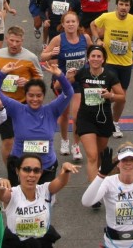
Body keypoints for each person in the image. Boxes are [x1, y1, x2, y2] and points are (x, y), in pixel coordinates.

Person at [0, 59, 74, 185]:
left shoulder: (52, 110)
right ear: (25, 95)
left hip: (46, 167)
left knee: (43, 203)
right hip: (20, 167)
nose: (35, 99)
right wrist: (2, 73)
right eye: (31, 95)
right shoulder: (17, 109)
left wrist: (60, 75)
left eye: (39, 96)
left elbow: (68, 93)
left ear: (43, 96)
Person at [0, 26, 43, 167]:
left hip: (23, 105)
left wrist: (28, 83)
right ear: (6, 39)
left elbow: (40, 78)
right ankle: (11, 173)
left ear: (22, 40)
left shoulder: (30, 57)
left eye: (18, 41)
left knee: (25, 140)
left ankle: (27, 167)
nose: (14, 44)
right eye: (12, 41)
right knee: (8, 141)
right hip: (1, 105)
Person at [38, 10, 94, 160]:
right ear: (62, 24)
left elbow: (93, 52)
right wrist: (50, 54)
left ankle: (76, 145)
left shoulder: (85, 37)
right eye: (67, 22)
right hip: (62, 81)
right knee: (64, 114)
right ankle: (64, 140)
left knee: (77, 116)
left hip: (79, 82)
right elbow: (42, 57)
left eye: (73, 21)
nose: (70, 24)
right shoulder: (58, 39)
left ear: (78, 24)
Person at [0, 153, 78, 246]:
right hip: (16, 244)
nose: (31, 174)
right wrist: (0, 182)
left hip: (42, 243)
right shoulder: (12, 193)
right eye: (26, 169)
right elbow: (0, 194)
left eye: (36, 170)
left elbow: (61, 181)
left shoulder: (46, 190)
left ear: (41, 173)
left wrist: (65, 169)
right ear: (17, 171)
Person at [70, 42, 125, 182]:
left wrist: (110, 96)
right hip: (85, 118)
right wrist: (64, 75)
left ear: (103, 59)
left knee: (100, 156)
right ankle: (93, 194)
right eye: (92, 56)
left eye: (98, 56)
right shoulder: (82, 73)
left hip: (103, 118)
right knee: (92, 156)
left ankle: (99, 181)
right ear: (88, 58)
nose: (95, 59)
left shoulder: (110, 75)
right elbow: (60, 85)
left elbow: (122, 97)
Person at [91, 0, 133, 135]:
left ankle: (114, 122)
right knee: (106, 93)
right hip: (108, 63)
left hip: (125, 64)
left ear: (130, 7)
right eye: (121, 4)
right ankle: (98, 116)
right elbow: (93, 24)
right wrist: (97, 39)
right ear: (117, 5)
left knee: (121, 98)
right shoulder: (107, 17)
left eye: (126, 5)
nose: (124, 7)